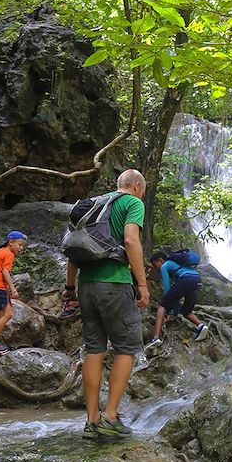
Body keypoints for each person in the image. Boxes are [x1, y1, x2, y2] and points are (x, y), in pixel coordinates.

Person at [62, 169, 150, 440]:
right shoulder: (132, 203)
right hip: (114, 284)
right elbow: (131, 240)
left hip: (86, 286)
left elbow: (74, 249)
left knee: (94, 350)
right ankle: (111, 417)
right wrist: (143, 284)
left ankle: (91, 421)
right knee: (126, 348)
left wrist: (69, 287)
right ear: (136, 187)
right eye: (142, 191)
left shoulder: (94, 205)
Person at [146, 251, 207, 352]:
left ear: (160, 260)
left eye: (155, 264)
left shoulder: (165, 265)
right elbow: (175, 296)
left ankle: (156, 338)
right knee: (186, 311)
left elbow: (167, 289)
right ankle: (201, 325)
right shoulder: (180, 264)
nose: (155, 268)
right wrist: (174, 311)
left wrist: (167, 306)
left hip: (186, 279)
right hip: (197, 280)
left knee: (162, 306)